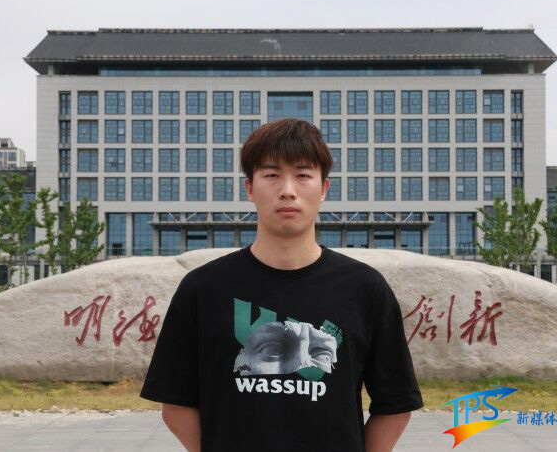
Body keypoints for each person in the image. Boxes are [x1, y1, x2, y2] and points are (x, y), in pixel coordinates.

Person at [140, 118, 423, 452]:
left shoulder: (365, 288)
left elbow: (395, 404)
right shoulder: (202, 289)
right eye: (272, 175)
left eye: (303, 175)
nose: (288, 189)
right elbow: (175, 405)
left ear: (324, 189)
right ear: (249, 188)